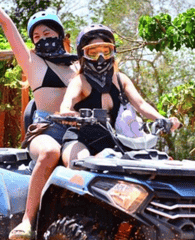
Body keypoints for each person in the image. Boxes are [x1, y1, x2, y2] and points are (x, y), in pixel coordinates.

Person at [0, 0, 79, 240]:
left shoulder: (78, 65)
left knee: (87, 162)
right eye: (37, 35)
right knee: (49, 153)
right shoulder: (32, 62)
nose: (42, 37)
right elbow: (6, 24)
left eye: (47, 32)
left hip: (78, 132)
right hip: (45, 131)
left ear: (59, 34)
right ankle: (27, 220)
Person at [60, 24, 180, 167]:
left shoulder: (120, 79)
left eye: (106, 51)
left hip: (116, 142)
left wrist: (162, 120)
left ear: (113, 52)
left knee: (151, 166)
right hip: (80, 140)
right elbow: (67, 102)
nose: (100, 57)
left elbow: (141, 105)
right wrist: (65, 112)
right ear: (82, 54)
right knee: (81, 164)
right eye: (93, 52)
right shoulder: (80, 81)